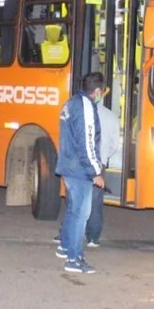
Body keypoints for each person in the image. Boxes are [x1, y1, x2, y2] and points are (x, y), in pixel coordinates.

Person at [54, 92, 121, 254]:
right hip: (95, 165)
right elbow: (111, 144)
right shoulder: (110, 116)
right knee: (91, 205)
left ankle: (65, 241)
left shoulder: (72, 109)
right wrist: (99, 166)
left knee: (73, 205)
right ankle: (87, 242)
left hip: (77, 165)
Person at [55, 72, 106, 274]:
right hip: (79, 169)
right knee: (81, 214)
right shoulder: (86, 107)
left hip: (68, 165)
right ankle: (74, 259)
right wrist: (95, 171)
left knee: (73, 210)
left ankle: (65, 246)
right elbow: (87, 142)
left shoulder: (72, 102)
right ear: (97, 91)